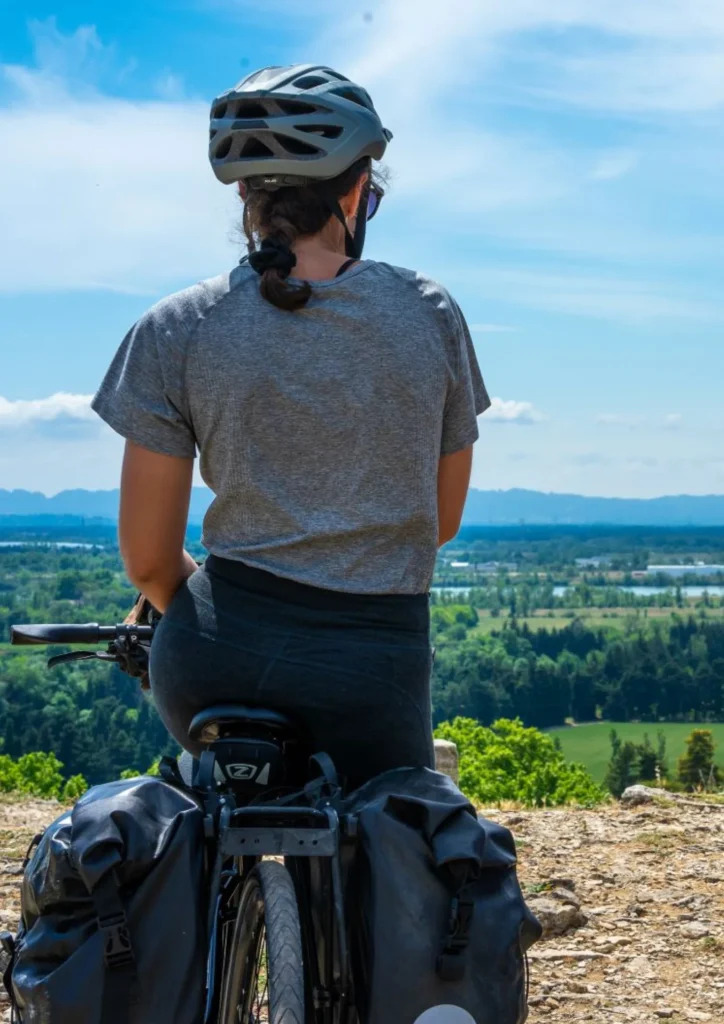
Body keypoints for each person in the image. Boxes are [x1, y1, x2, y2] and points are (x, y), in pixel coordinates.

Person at [92, 64, 490, 790]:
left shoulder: (176, 327)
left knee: (203, 820)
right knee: (382, 849)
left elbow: (149, 564)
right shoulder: (429, 313)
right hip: (375, 676)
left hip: (213, 665)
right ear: (355, 194)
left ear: (245, 194)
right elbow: (440, 519)